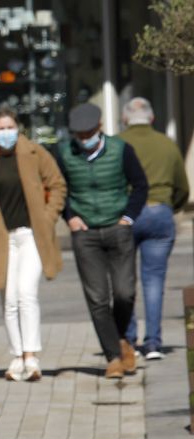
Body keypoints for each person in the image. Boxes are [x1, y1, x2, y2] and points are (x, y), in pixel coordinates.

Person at [0, 107, 68, 382]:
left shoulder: (35, 153)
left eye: (10, 127)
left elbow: (57, 184)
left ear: (18, 128)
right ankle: (16, 355)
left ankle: (31, 356)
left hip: (32, 235)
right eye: (0, 128)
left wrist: (47, 218)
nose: (6, 133)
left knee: (26, 293)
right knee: (9, 298)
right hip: (2, 238)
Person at [56, 102, 149, 379]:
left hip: (117, 227)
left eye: (88, 134)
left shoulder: (121, 150)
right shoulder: (63, 153)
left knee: (124, 291)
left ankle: (121, 339)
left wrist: (128, 218)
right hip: (85, 233)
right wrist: (69, 217)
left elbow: (140, 185)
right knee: (97, 297)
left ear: (99, 128)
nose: (84, 140)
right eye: (79, 136)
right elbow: (57, 188)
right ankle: (113, 356)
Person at [120, 97, 188, 360]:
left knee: (124, 280)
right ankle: (154, 344)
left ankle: (128, 340)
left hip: (127, 214)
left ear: (125, 118)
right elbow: (182, 186)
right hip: (160, 212)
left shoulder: (119, 143)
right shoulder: (167, 144)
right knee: (154, 280)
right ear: (151, 118)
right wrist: (171, 206)